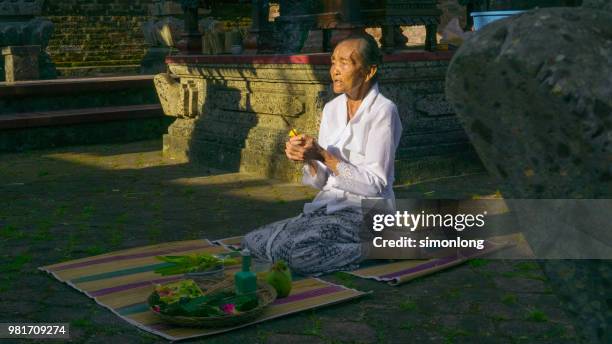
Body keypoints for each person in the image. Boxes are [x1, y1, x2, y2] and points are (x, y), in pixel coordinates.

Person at [241, 33, 403, 275]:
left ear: (369, 71)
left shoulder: (384, 111)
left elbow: (376, 185)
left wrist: (324, 155)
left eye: (345, 63)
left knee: (299, 254)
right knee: (254, 241)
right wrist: (310, 159)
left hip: (365, 211)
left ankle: (381, 248)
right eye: (333, 62)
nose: (335, 70)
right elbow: (321, 181)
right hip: (327, 207)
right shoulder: (332, 109)